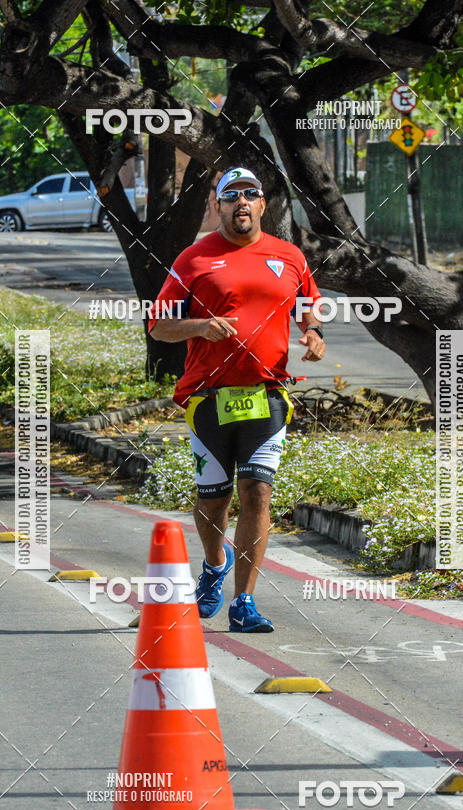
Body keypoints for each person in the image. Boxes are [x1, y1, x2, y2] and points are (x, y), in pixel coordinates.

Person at [148, 166, 325, 632]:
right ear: (218, 205)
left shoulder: (288, 256)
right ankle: (212, 565)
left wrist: (313, 334)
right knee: (214, 498)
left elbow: (309, 308)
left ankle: (243, 602)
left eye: (251, 195)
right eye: (232, 196)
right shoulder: (193, 259)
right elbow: (159, 325)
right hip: (207, 397)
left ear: (263, 205)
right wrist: (200, 326)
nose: (241, 202)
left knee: (257, 491)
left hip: (267, 394)